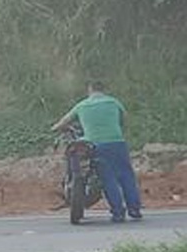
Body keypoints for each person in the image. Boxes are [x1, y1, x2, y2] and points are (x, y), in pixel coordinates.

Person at [51, 80, 143, 223]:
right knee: (126, 176)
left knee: (108, 178)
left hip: (95, 146)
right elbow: (125, 120)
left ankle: (118, 213)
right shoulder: (114, 102)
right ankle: (134, 210)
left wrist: (57, 128)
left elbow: (59, 125)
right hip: (117, 143)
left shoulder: (82, 105)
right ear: (104, 90)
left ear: (89, 90)